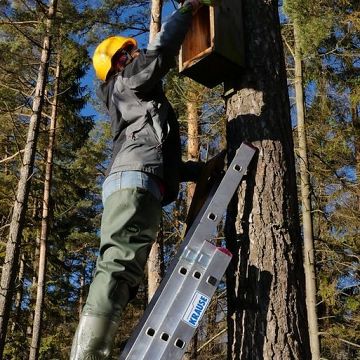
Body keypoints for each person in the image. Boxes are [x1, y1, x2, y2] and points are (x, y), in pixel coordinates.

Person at [70, 0, 217, 359]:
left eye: (131, 53)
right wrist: (187, 11)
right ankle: (88, 354)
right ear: (115, 67)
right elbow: (162, 52)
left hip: (140, 180)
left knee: (126, 272)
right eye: (125, 55)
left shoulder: (138, 105)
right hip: (134, 182)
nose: (133, 57)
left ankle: (97, 347)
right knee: (119, 265)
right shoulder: (125, 84)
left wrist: (199, 171)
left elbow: (158, 157)